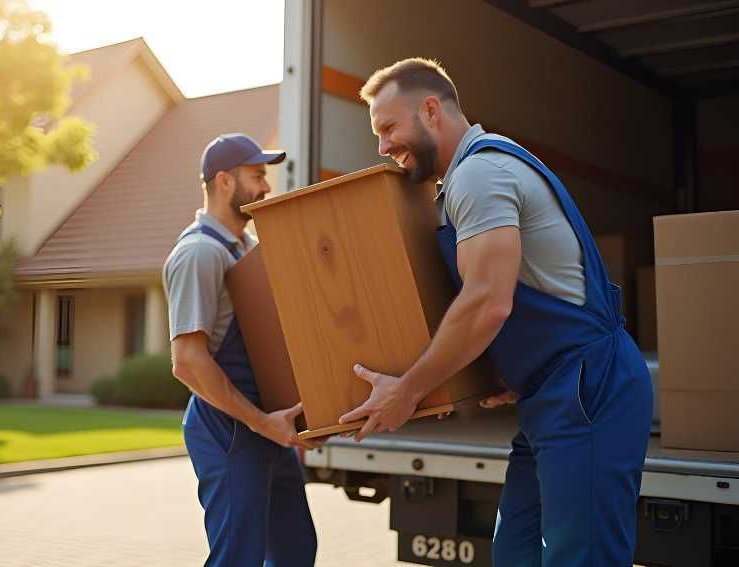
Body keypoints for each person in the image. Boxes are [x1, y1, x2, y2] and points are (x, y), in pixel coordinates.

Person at [339, 58, 652, 566]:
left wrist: (407, 390)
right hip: (549, 391)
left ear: (431, 110)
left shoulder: (480, 176)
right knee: (514, 550)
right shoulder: (466, 178)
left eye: (389, 127)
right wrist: (511, 366)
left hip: (587, 389)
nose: (382, 146)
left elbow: (487, 302)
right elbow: (516, 295)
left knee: (581, 557)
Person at [163, 133, 320, 567]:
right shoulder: (199, 253)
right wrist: (259, 422)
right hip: (230, 429)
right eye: (256, 176)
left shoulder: (247, 249)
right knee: (238, 557)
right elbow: (188, 362)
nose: (266, 187)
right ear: (224, 181)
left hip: (268, 426)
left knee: (294, 550)